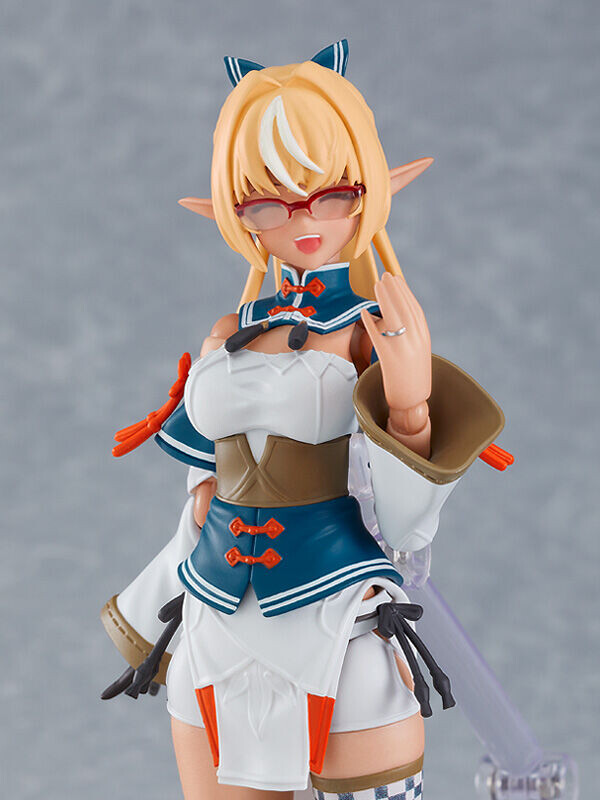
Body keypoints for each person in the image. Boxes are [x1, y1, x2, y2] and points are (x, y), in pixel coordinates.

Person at [101, 41, 505, 800]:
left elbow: (405, 518)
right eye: (267, 203)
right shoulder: (231, 329)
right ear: (238, 212)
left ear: (368, 190)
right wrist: (201, 499)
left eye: (331, 195)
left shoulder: (368, 330)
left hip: (339, 619)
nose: (304, 220)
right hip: (214, 619)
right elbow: (205, 467)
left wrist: (409, 404)